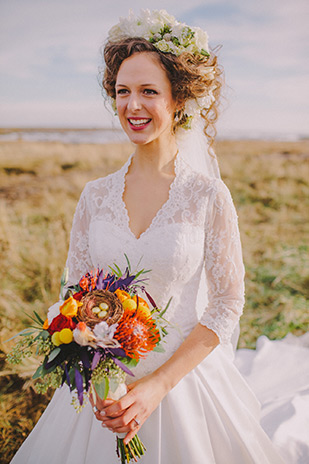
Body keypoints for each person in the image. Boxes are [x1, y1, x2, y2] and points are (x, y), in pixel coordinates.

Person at [11, 9, 288, 464]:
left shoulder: (207, 195)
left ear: (179, 100)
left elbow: (226, 303)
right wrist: (96, 375)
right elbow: (72, 293)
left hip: (182, 386)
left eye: (148, 92)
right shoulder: (94, 196)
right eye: (122, 91)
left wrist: (158, 385)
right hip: (104, 390)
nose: (132, 106)